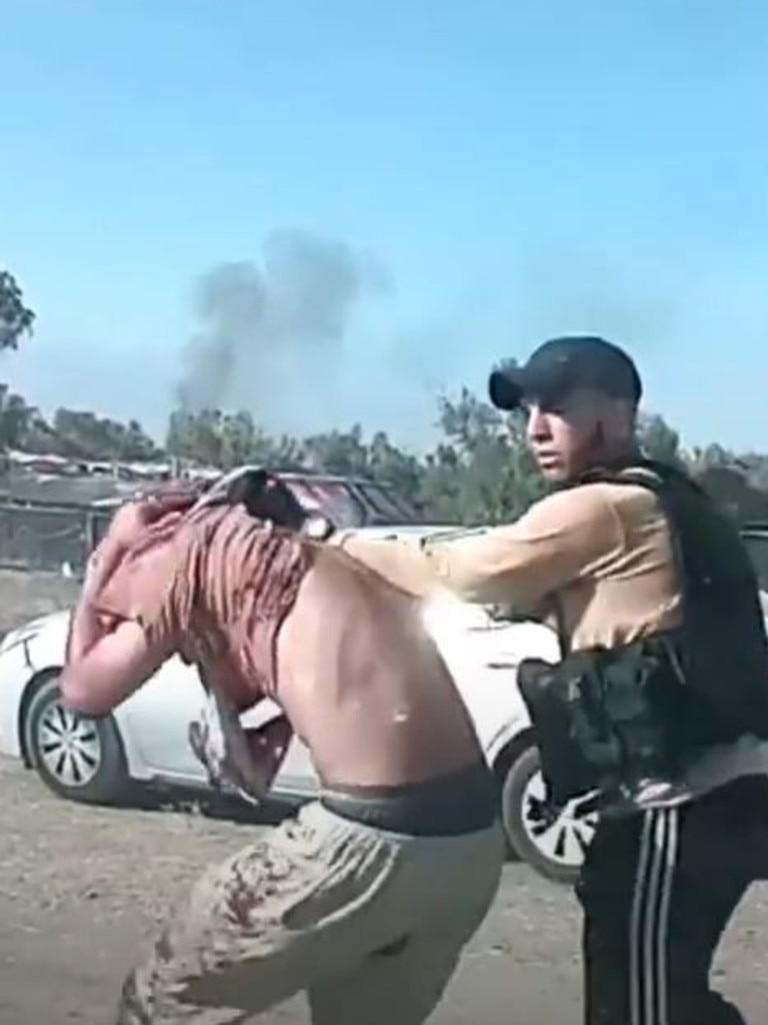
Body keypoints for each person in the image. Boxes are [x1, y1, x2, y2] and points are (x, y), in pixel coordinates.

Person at [338, 336, 768, 1025]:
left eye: (558, 406)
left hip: (679, 805)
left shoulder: (603, 507)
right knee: (646, 996)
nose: (535, 427)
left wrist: (338, 541)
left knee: (643, 1007)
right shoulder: (659, 496)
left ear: (619, 412)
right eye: (531, 409)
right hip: (694, 797)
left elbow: (470, 570)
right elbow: (521, 591)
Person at [60, 467, 505, 1025]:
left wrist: (110, 550)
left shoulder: (195, 547)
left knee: (161, 1004)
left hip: (372, 840)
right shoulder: (329, 568)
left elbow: (83, 691)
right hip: (472, 845)